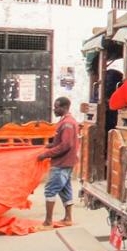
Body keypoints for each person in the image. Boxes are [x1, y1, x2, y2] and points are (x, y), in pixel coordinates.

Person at [36, 97, 79, 228]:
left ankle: (48, 222)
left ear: (64, 107)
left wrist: (46, 154)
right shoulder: (67, 121)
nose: (54, 109)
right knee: (65, 190)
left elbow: (65, 145)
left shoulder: (67, 124)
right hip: (67, 162)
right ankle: (68, 218)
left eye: (56, 107)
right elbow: (60, 143)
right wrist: (49, 146)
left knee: (50, 190)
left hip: (61, 163)